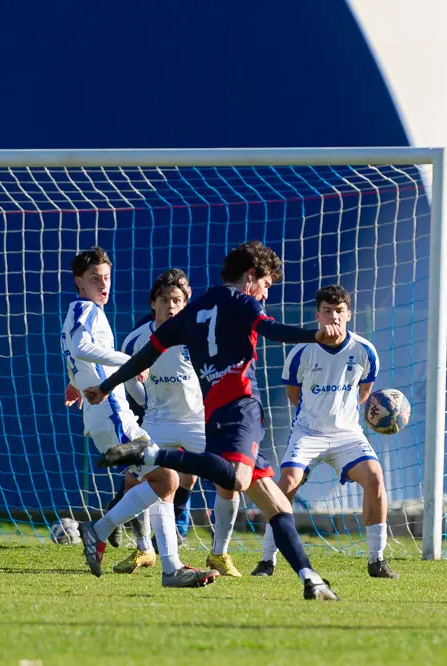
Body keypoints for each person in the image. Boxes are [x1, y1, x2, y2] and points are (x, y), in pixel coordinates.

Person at [87, 240, 344, 600]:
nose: (266, 294)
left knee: (277, 504)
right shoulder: (242, 302)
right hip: (240, 408)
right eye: (267, 285)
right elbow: (273, 330)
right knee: (238, 480)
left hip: (213, 415)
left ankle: (310, 579)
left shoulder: (194, 310)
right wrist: (315, 335)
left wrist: (106, 385)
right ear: (251, 275)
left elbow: (142, 357)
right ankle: (151, 456)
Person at [61, 247, 218, 587]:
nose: (103, 284)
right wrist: (129, 361)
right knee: (167, 480)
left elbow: (77, 355)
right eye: (94, 279)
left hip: (104, 415)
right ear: (79, 282)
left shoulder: (80, 310)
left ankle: (168, 567)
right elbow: (80, 348)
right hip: (112, 413)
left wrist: (76, 382)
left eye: (106, 277)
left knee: (162, 481)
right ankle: (102, 530)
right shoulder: (86, 308)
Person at [253, 285, 397, 579]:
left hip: (348, 435)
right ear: (317, 315)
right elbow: (294, 394)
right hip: (308, 433)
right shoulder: (301, 352)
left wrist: (343, 418)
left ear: (349, 314)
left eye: (339, 311)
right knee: (287, 483)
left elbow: (364, 392)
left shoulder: (364, 350)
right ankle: (267, 561)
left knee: (375, 479)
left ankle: (376, 560)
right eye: (327, 311)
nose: (333, 317)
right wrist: (317, 415)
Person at [117, 269, 242, 578]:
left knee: (231, 478)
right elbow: (130, 382)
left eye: (177, 300)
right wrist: (141, 390)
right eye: (164, 300)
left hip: (197, 421)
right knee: (133, 480)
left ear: (186, 304)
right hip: (157, 420)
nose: (170, 306)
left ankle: (219, 553)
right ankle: (145, 548)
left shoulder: (202, 335)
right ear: (152, 303)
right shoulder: (136, 339)